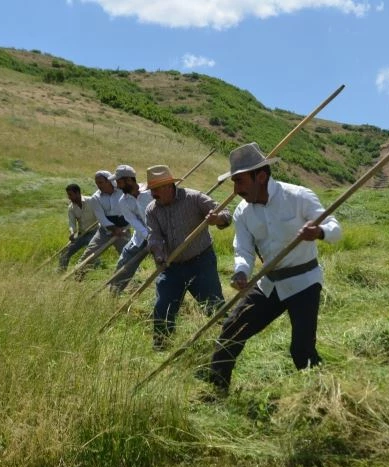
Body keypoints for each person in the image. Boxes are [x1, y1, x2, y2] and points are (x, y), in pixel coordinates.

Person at [201, 142, 342, 396]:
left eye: (241, 181)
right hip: (269, 284)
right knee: (231, 331)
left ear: (261, 176)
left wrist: (319, 232)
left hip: (304, 282)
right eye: (234, 182)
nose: (236, 190)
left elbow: (335, 229)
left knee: (301, 350)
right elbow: (242, 249)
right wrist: (241, 272)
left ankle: (327, 398)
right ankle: (216, 392)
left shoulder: (299, 196)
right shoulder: (243, 212)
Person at [145, 164, 232, 350]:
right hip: (172, 266)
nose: (153, 194)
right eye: (151, 190)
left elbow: (225, 214)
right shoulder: (152, 209)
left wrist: (217, 219)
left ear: (168, 186)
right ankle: (161, 346)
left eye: (156, 190)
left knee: (213, 305)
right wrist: (159, 255)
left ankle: (227, 343)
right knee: (163, 307)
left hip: (201, 262)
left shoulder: (194, 198)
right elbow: (154, 236)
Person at [74, 170, 131, 278]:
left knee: (129, 256)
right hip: (105, 231)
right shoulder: (95, 198)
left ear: (109, 181)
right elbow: (101, 218)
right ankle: (77, 276)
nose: (98, 185)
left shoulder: (121, 191)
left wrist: (122, 229)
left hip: (123, 230)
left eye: (100, 182)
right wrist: (114, 229)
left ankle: (133, 282)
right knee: (89, 254)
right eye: (97, 183)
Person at [109, 164, 152, 295]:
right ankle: (113, 295)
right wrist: (147, 236)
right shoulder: (123, 201)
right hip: (140, 237)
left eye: (119, 181)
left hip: (163, 236)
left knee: (168, 266)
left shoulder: (151, 193)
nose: (117, 185)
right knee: (124, 262)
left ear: (129, 180)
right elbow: (132, 221)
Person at [58, 183, 97, 271]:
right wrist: (72, 232)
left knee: (91, 253)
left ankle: (95, 267)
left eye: (71, 195)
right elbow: (72, 223)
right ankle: (60, 273)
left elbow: (100, 216)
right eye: (68, 195)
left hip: (95, 232)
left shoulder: (91, 201)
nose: (69, 197)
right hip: (82, 234)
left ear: (78, 193)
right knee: (65, 253)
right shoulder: (71, 208)